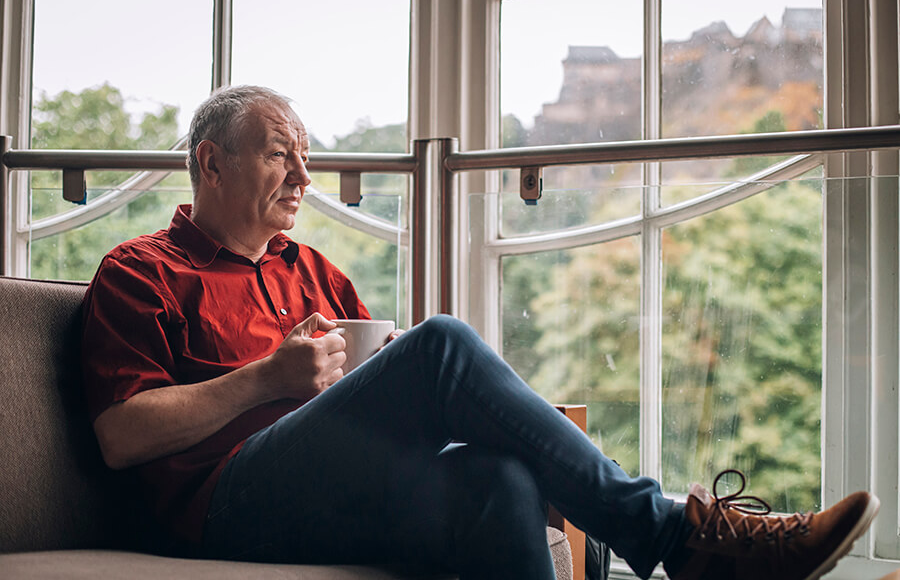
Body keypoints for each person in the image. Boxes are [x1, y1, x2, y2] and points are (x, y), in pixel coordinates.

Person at [81, 85, 879, 580]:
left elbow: (376, 395)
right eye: (280, 155)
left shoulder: (313, 270)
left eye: (306, 157)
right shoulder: (142, 270)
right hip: (221, 509)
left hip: (336, 487)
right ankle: (681, 535)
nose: (303, 176)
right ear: (211, 164)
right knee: (443, 343)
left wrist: (382, 377)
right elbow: (121, 434)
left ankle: (684, 540)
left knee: (502, 482)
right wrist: (267, 378)